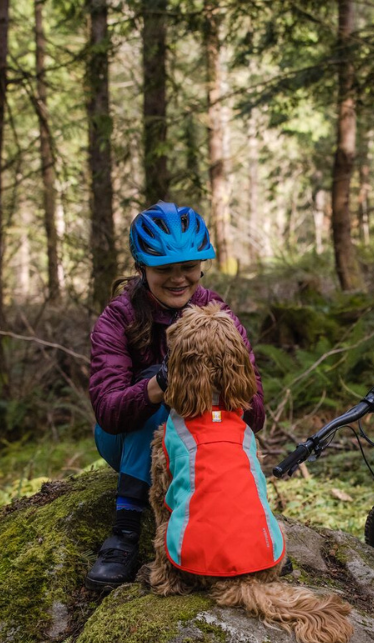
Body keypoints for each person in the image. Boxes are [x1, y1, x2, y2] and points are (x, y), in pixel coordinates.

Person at [86, 201, 266, 592]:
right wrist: (163, 384)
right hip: (126, 436)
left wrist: (216, 382)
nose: (178, 278)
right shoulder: (118, 317)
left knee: (207, 409)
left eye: (187, 267)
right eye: (164, 269)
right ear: (141, 269)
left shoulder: (217, 311)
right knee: (162, 394)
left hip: (201, 443)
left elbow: (256, 410)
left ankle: (247, 536)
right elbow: (108, 411)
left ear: (201, 265)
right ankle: (126, 529)